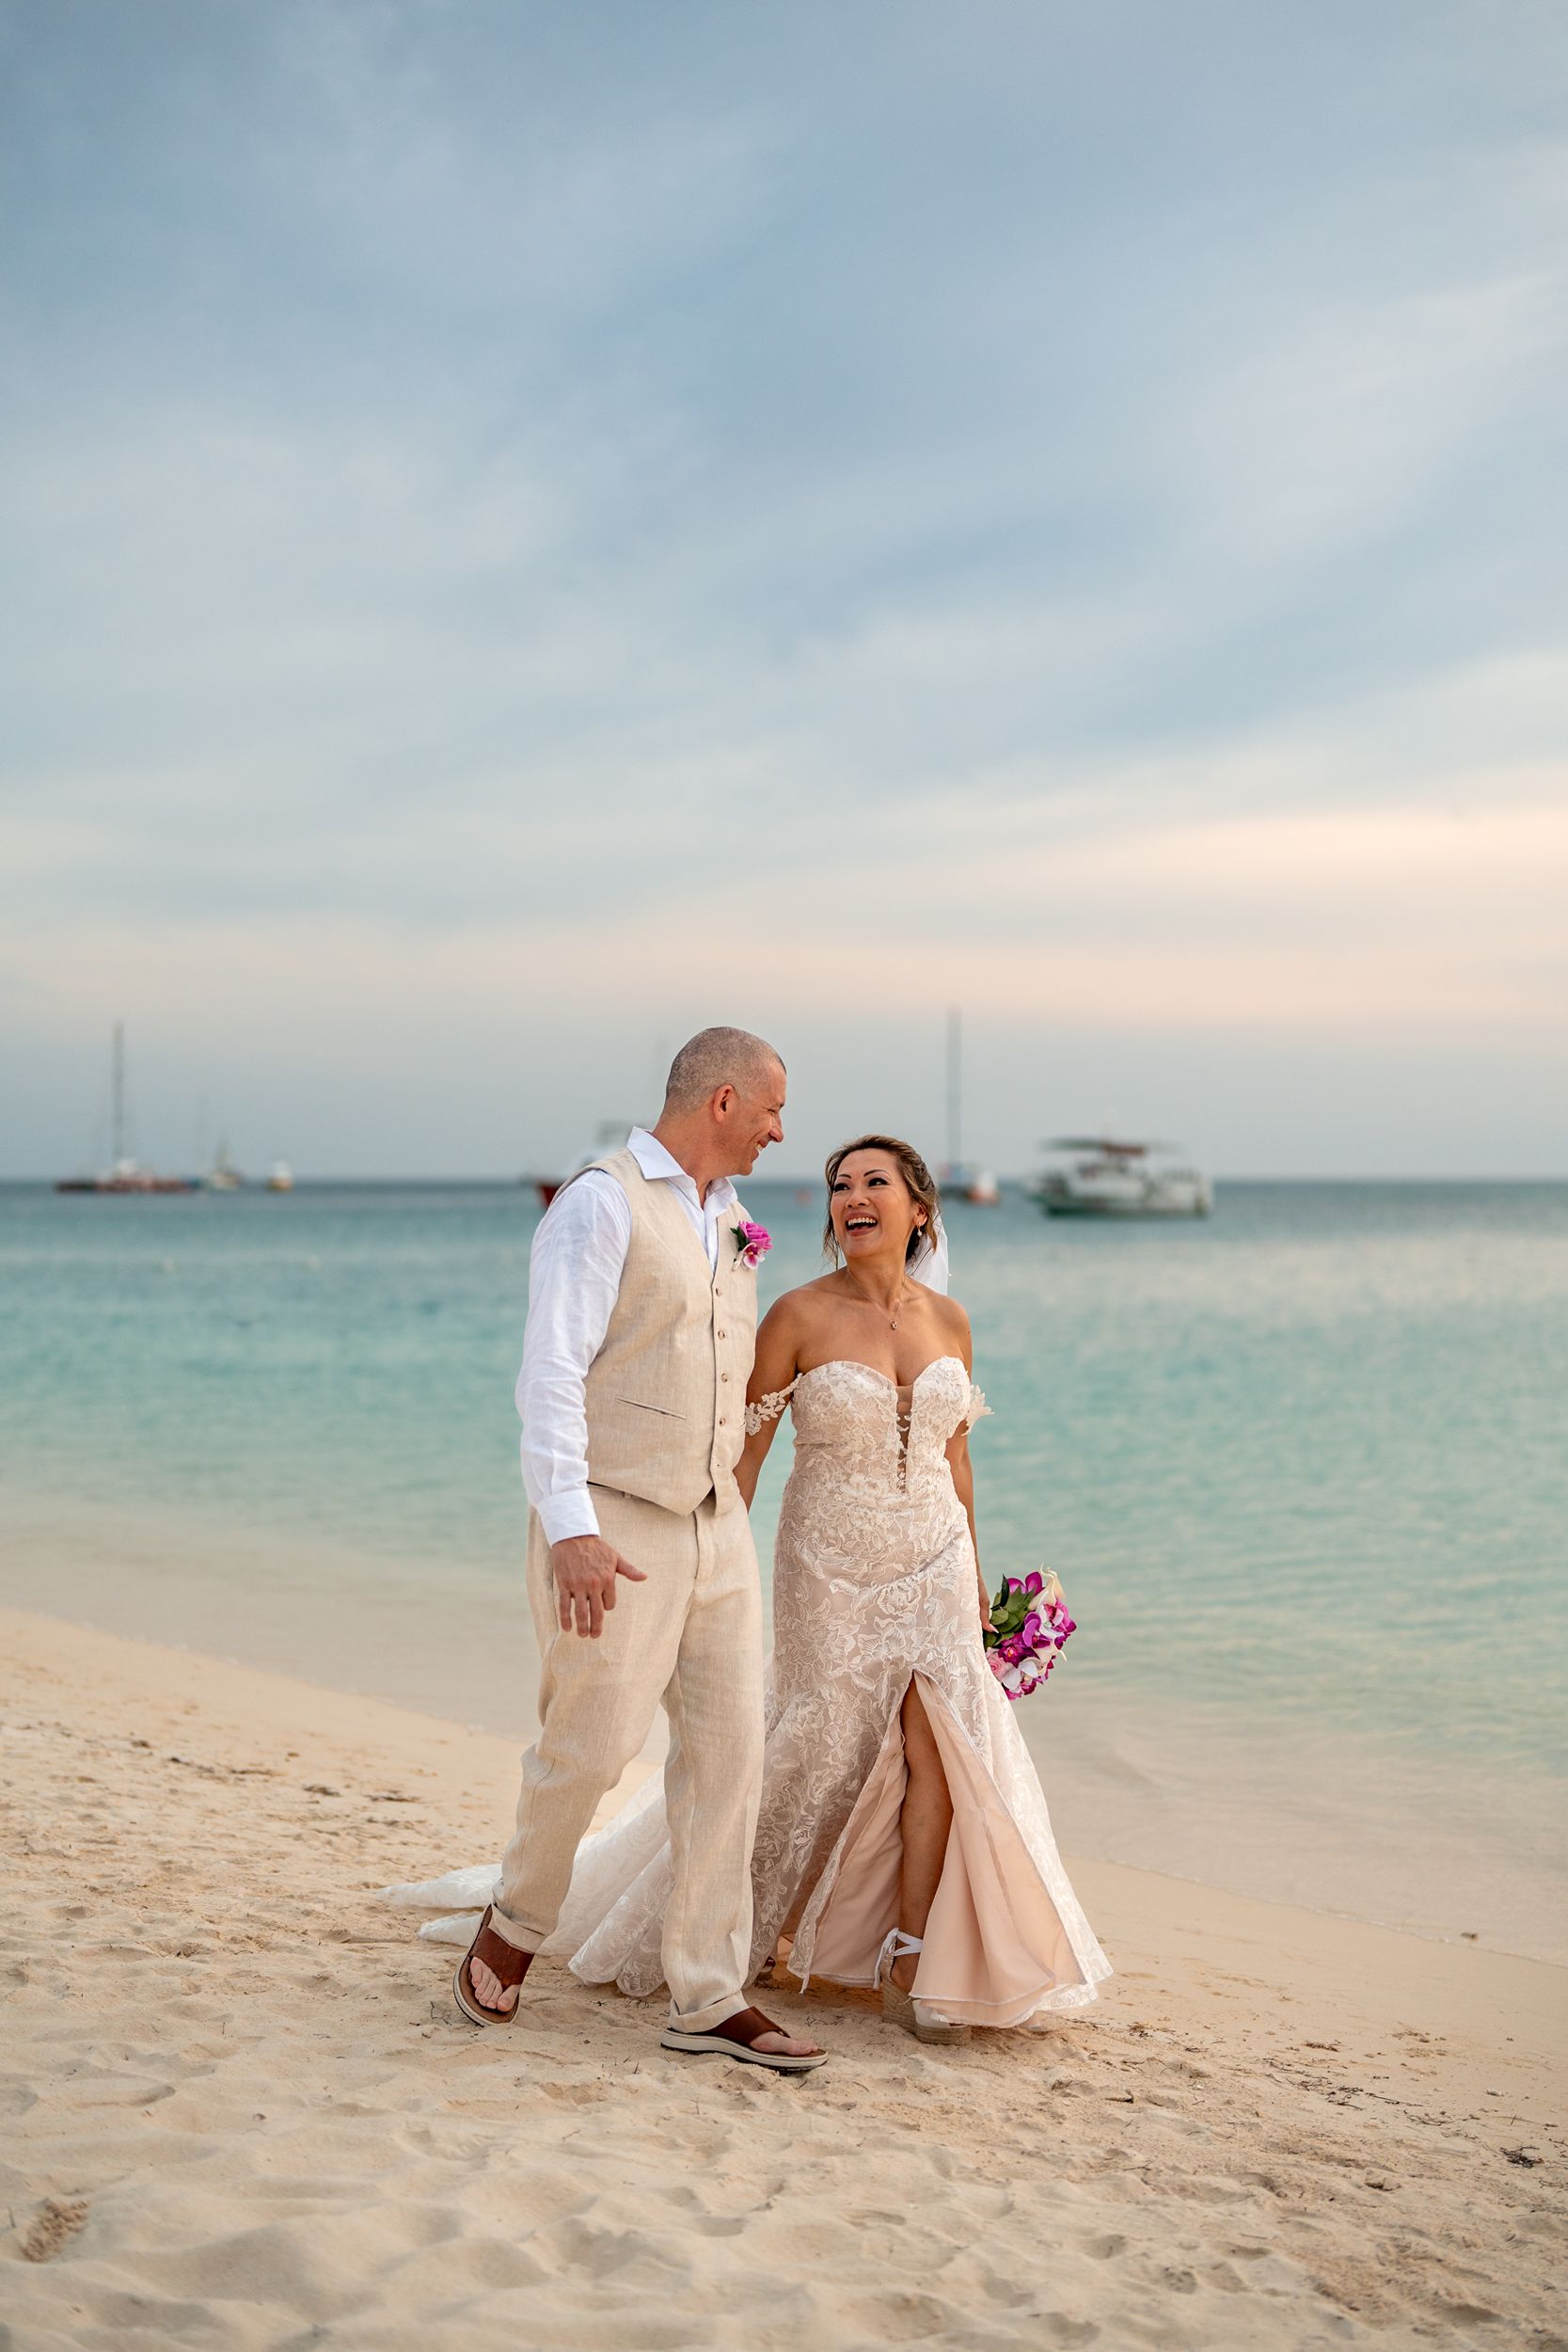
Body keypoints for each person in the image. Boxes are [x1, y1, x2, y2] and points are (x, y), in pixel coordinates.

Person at [389, 1132, 1108, 2043]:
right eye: (837, 1184)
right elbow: (744, 1455)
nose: (850, 1195)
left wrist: (971, 1570)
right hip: (828, 1560)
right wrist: (698, 1551)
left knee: (942, 1746)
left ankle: (909, 1948)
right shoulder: (796, 1317)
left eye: (873, 1181)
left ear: (919, 1207)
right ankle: (745, 1931)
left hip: (932, 1555)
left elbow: (957, 1452)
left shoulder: (950, 1320)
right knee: (812, 1740)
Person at [451, 1025, 826, 2074]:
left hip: (716, 1531)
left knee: (726, 1757)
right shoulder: (600, 1201)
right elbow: (550, 1373)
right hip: (611, 1519)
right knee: (591, 1741)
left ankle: (706, 1991)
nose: (777, 1130)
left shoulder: (735, 1221)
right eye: (769, 1110)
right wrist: (568, 1524)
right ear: (719, 1101)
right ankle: (515, 1925)